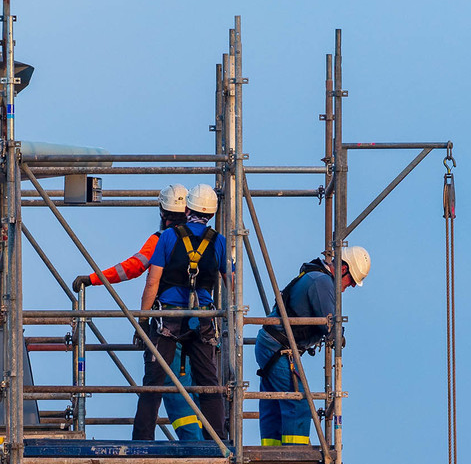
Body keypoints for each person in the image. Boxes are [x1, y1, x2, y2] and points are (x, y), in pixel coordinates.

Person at [136, 184, 227, 443]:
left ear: (187, 208)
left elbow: (152, 283)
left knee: (154, 381)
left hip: (169, 318)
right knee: (208, 382)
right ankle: (216, 444)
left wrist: (142, 321)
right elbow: (230, 280)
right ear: (211, 213)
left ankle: (141, 443)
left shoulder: (167, 237)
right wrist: (229, 317)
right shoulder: (218, 241)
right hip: (203, 318)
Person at [254, 246, 371, 444]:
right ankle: (294, 456)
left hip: (272, 344)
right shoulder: (322, 282)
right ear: (343, 269)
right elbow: (331, 324)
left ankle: (273, 454)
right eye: (351, 280)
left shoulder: (315, 277)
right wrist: (339, 335)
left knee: (274, 405)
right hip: (278, 347)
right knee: (298, 403)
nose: (350, 286)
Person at [74, 184, 189, 293]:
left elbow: (132, 268)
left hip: (168, 305)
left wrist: (93, 279)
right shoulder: (205, 237)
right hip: (201, 307)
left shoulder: (159, 239)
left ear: (162, 212)